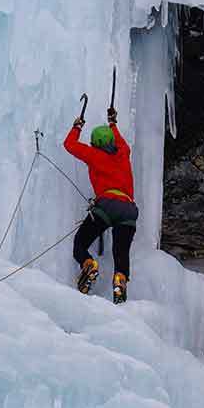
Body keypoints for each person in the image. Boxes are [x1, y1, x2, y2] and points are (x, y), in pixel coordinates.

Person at [64, 105, 139, 303]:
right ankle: (120, 280)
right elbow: (121, 140)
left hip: (107, 205)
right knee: (121, 252)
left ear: (95, 144)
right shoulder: (123, 153)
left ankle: (88, 263)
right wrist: (113, 122)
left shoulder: (93, 155)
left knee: (80, 243)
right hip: (129, 209)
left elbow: (69, 145)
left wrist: (77, 126)